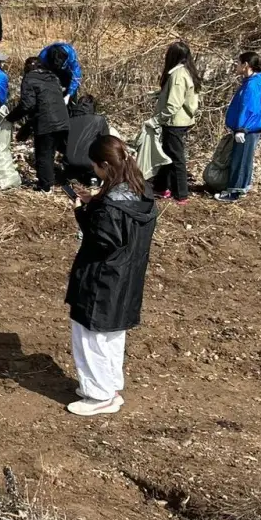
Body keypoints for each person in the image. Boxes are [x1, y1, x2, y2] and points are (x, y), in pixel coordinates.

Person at [66, 136, 157, 417]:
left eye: (96, 166)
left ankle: (98, 395)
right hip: (127, 278)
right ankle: (110, 387)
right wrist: (94, 202)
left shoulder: (110, 206)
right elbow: (121, 230)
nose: (94, 170)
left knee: (89, 336)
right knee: (112, 335)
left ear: (105, 165)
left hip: (101, 279)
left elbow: (101, 240)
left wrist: (85, 211)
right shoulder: (141, 191)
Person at [6, 54, 69, 192]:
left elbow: (27, 105)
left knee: (44, 154)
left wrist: (10, 118)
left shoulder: (29, 79)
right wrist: (27, 127)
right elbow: (43, 104)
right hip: (63, 120)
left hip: (47, 122)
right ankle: (65, 178)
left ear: (27, 68)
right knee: (57, 151)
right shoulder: (53, 78)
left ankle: (45, 186)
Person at [215, 52, 261, 203]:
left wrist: (241, 128)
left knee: (239, 159)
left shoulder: (252, 85)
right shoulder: (253, 82)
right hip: (250, 129)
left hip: (247, 129)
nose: (237, 66)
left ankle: (234, 192)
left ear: (246, 65)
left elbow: (250, 108)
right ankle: (242, 187)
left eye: (239, 63)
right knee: (245, 158)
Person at [151, 42, 200, 204]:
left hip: (175, 122)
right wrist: (159, 94)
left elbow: (174, 104)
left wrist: (157, 120)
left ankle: (181, 194)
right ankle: (161, 187)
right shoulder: (184, 71)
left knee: (176, 158)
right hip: (176, 121)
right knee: (166, 154)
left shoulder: (178, 75)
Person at [64, 95, 109, 183]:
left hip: (70, 161)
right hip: (91, 164)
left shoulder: (69, 120)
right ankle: (94, 178)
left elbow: (64, 142)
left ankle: (74, 177)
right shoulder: (99, 120)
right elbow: (106, 141)